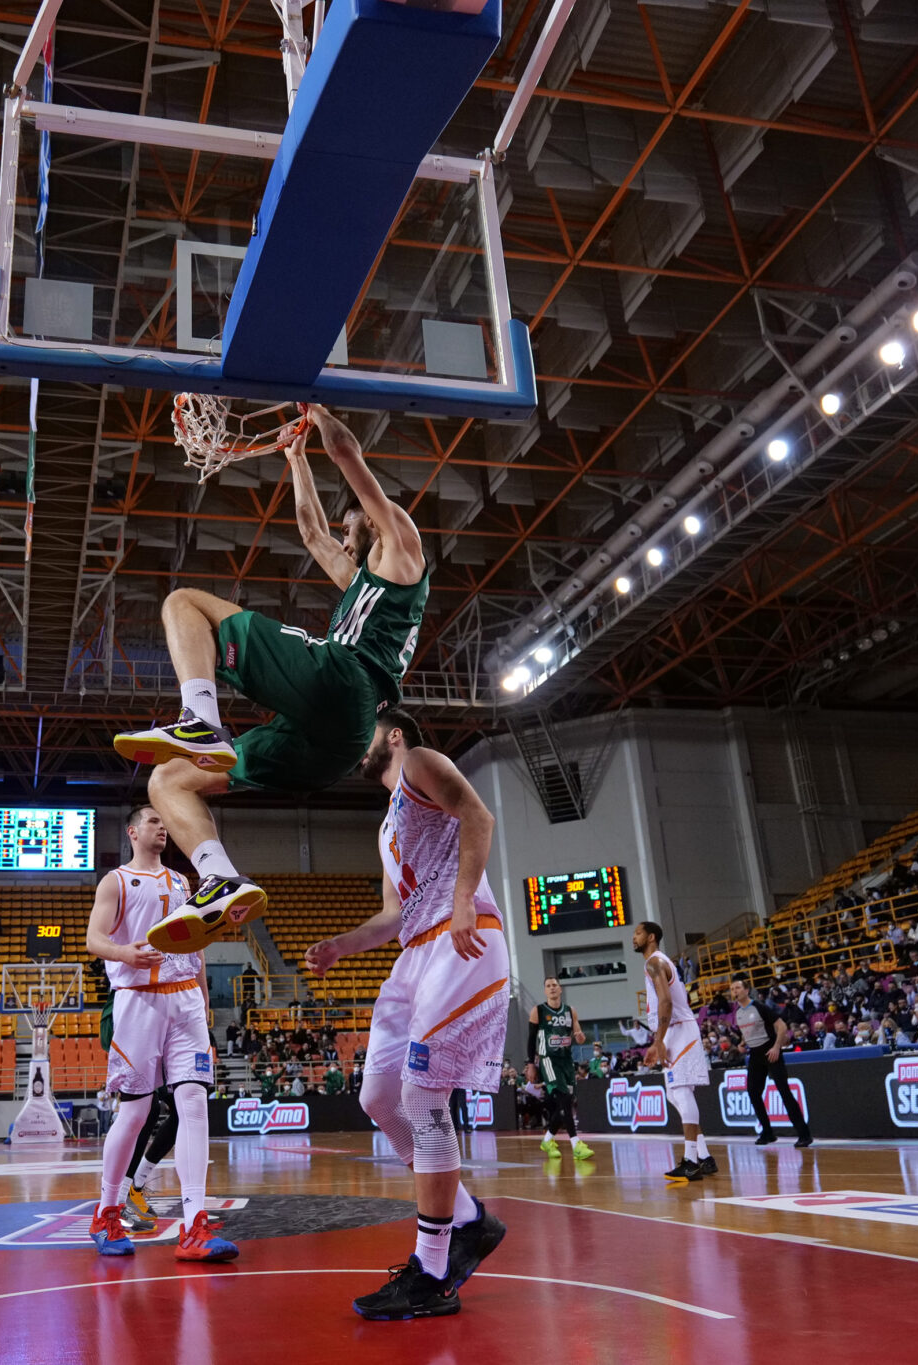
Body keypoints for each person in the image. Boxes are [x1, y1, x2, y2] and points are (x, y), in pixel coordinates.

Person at [116, 405, 430, 952]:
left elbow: (348, 452)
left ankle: (199, 719)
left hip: (344, 681)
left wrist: (320, 413)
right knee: (168, 781)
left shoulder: (402, 546)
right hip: (336, 742)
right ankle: (218, 879)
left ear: (372, 520)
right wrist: (295, 458)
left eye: (351, 530)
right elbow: (311, 533)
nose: (344, 537)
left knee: (184, 602)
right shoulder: (365, 582)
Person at [303, 709, 509, 1321]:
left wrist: (467, 898)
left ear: (393, 734)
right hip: (415, 949)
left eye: (365, 730)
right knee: (378, 1098)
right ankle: (469, 1219)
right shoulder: (387, 825)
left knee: (422, 1100)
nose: (355, 743)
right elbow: (395, 916)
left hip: (460, 937)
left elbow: (480, 815)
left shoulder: (419, 762)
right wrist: (342, 944)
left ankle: (432, 1271)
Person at [83, 805, 236, 1263]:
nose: (162, 826)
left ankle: (194, 1226)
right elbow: (94, 939)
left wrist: (206, 1003)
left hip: (186, 998)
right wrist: (124, 953)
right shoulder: (116, 881)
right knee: (135, 1113)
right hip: (139, 1001)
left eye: (164, 822)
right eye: (152, 820)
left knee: (193, 1102)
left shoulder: (182, 882)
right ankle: (107, 1212)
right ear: (132, 830)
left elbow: (196, 944)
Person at [635, 921, 714, 1182]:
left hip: (680, 1030)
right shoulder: (656, 962)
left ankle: (691, 1161)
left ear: (651, 937)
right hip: (674, 1032)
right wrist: (657, 1041)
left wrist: (659, 1041)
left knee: (681, 1090)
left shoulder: (654, 963)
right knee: (674, 1094)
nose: (634, 937)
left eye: (637, 933)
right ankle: (703, 1155)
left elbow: (666, 1002)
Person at [726, 981, 813, 1147]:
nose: (734, 991)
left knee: (784, 1092)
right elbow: (750, 1032)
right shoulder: (738, 1013)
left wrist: (776, 1047)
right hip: (755, 1055)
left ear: (746, 990)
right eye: (731, 989)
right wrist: (743, 1043)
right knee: (753, 1092)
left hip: (771, 1051)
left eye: (737, 988)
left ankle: (804, 1134)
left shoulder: (759, 1007)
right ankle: (767, 1132)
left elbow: (781, 1026)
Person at [529, 977, 591, 1160]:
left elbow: (579, 1036)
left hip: (566, 1060)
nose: (552, 988)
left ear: (560, 988)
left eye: (554, 985)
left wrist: (580, 1037)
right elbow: (531, 1039)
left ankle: (547, 1140)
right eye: (548, 986)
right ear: (545, 991)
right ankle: (575, 1144)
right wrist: (530, 1064)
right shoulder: (538, 1011)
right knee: (564, 1099)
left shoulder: (570, 1011)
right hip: (548, 1059)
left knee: (566, 1103)